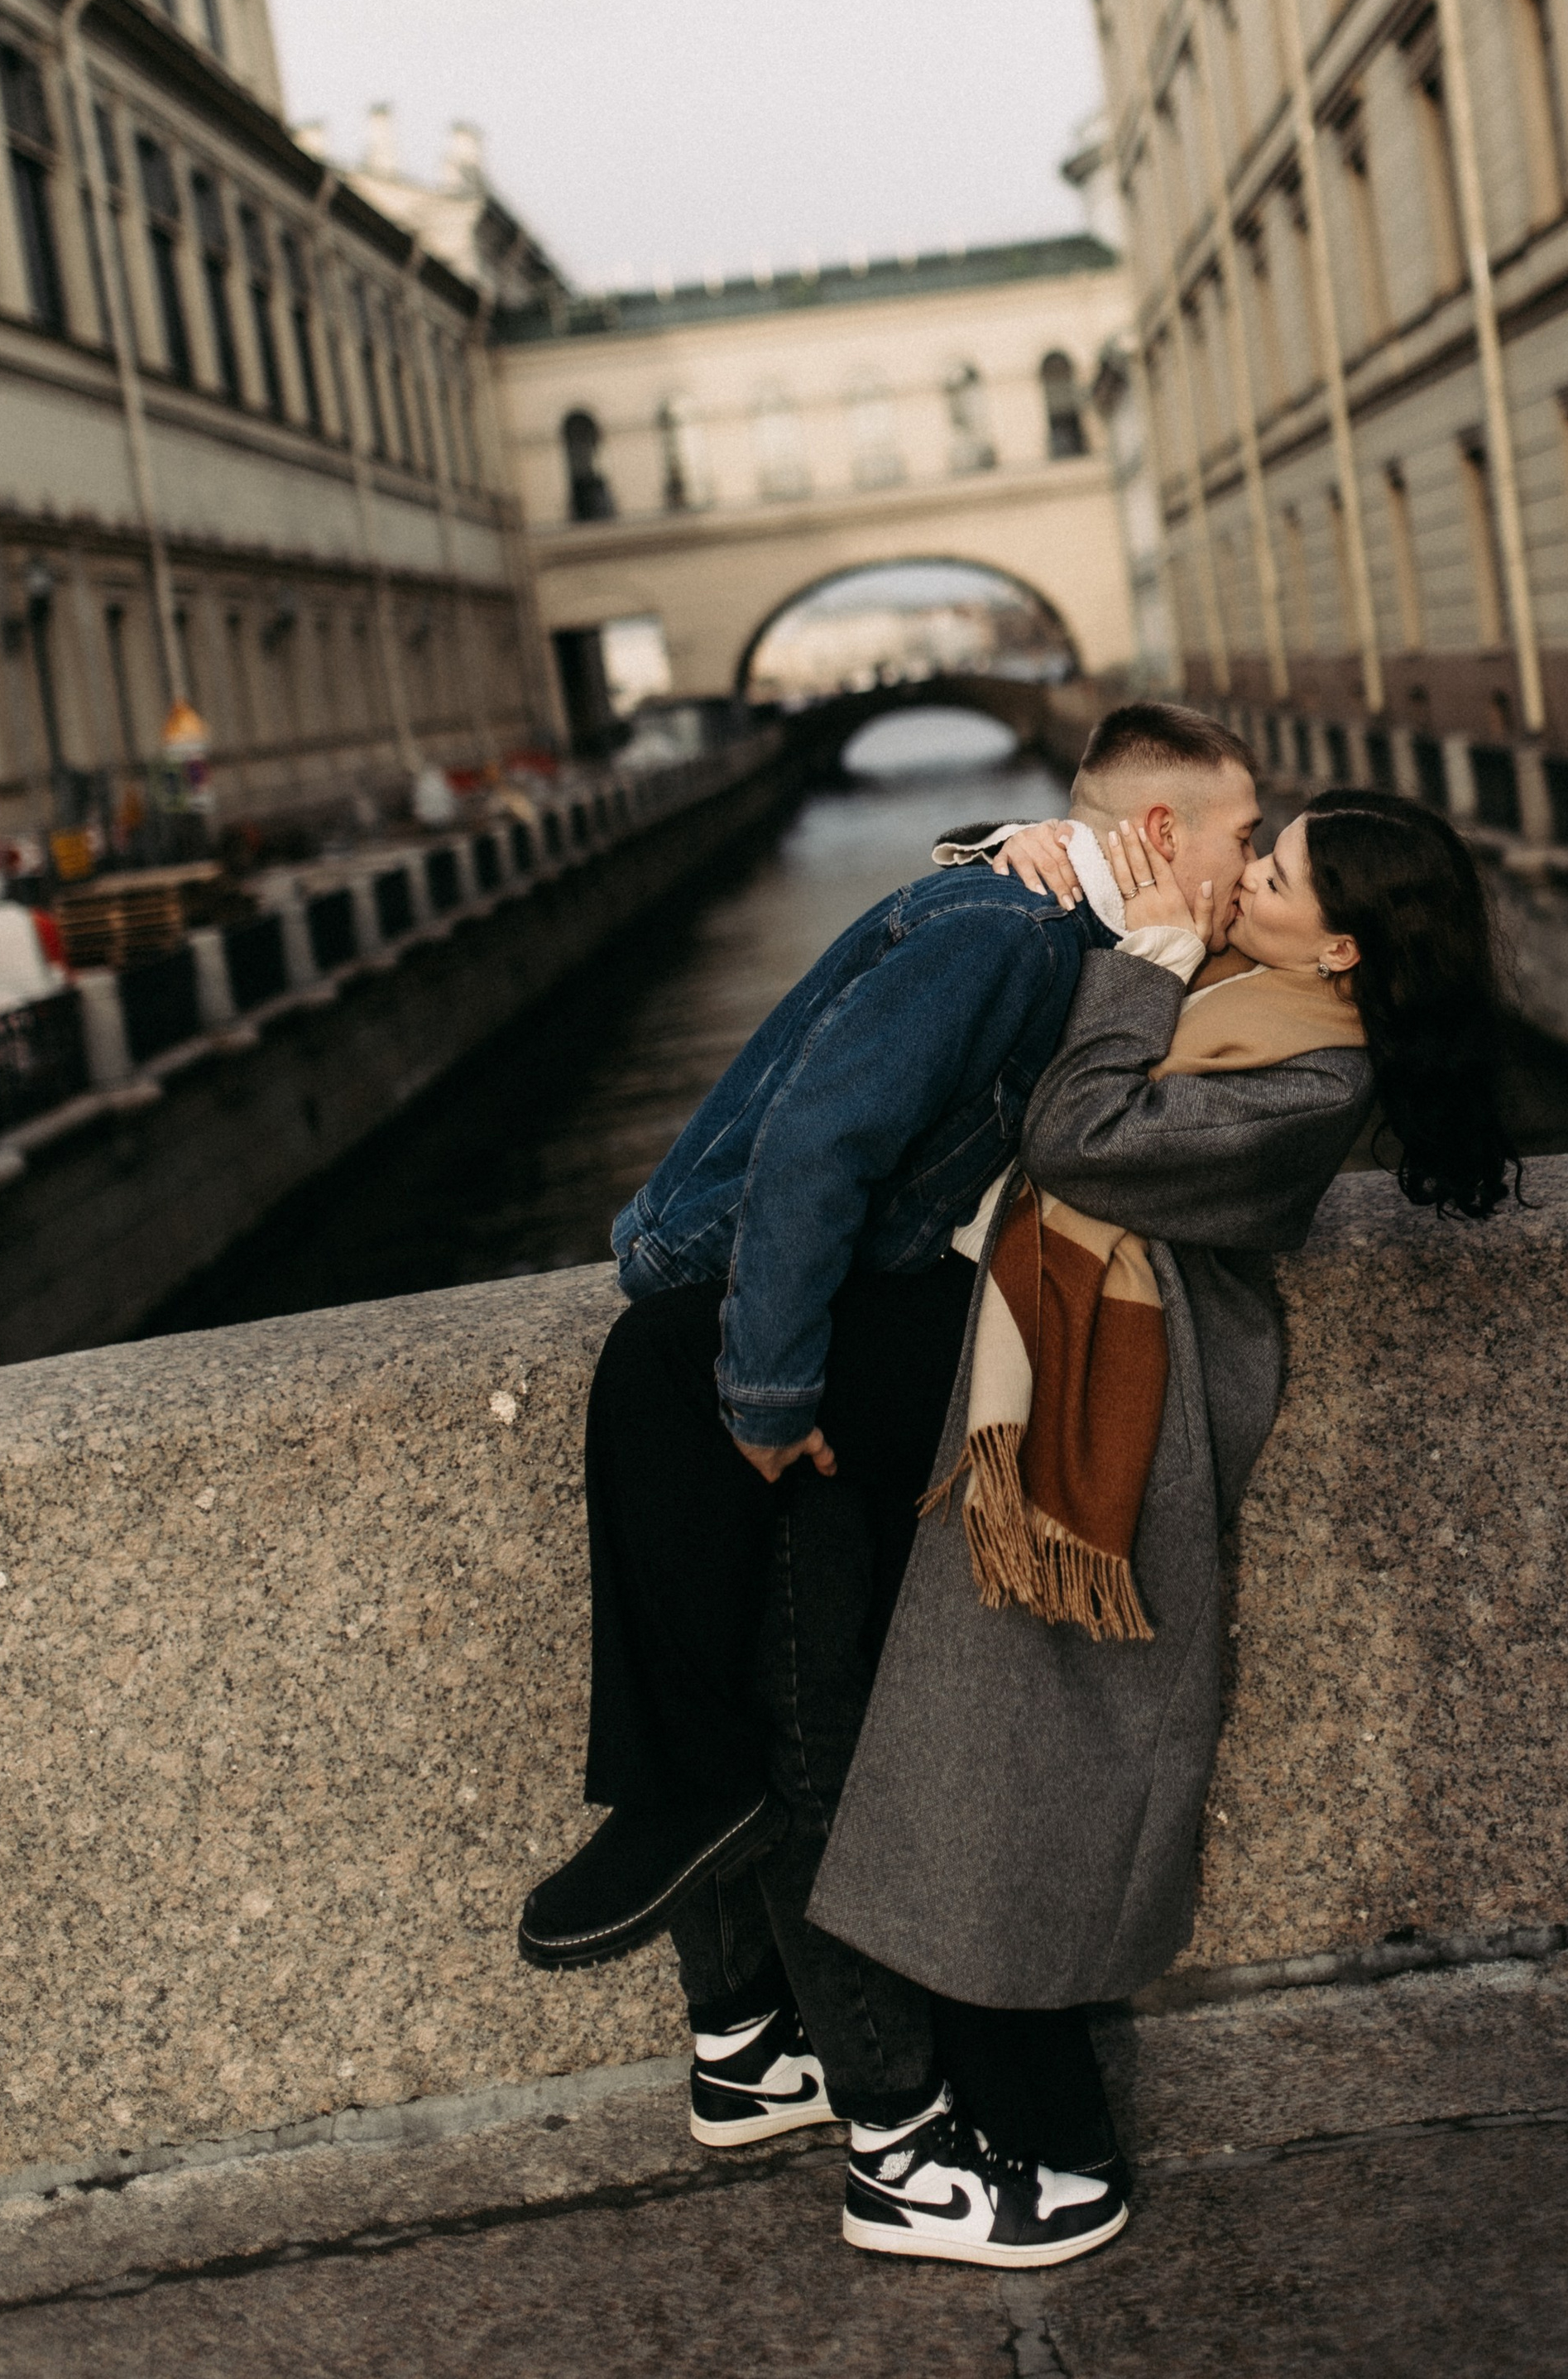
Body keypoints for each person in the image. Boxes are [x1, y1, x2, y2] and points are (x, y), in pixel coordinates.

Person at [544, 781, 1517, 2272]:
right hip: (1029, 1346)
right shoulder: (1250, 992)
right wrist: (1015, 853)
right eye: (1260, 849)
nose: (1245, 874)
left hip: (1096, 1411)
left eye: (1280, 871)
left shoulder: (1307, 1084)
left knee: (698, 1388)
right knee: (705, 1416)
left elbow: (1076, 1133)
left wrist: (1136, 951)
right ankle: (719, 1889)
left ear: (1345, 956)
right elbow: (1069, 966)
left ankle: (1026, 2140)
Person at [515, 703, 1262, 1978]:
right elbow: (821, 1145)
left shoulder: (1071, 925)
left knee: (679, 1425)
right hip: (721, 1261)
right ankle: (696, 1803)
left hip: (883, 1285)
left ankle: (710, 1862)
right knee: (661, 1383)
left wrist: (1012, 848)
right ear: (1156, 829)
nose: (1249, 867)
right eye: (1242, 839)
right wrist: (765, 1393)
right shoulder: (1010, 936)